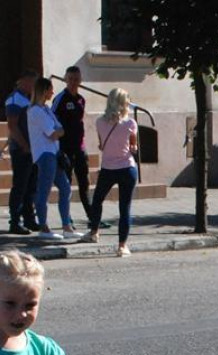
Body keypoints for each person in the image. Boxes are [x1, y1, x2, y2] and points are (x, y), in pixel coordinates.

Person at [81, 88, 139, 257]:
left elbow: (101, 144)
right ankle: (122, 246)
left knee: (98, 199)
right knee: (124, 207)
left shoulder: (99, 122)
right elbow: (133, 148)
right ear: (123, 103)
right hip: (127, 168)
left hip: (108, 168)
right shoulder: (130, 124)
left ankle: (94, 232)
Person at [26, 77, 77, 241]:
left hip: (54, 153)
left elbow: (60, 128)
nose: (52, 92)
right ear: (43, 90)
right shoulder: (35, 111)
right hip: (44, 154)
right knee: (44, 190)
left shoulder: (46, 109)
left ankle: (66, 226)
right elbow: (54, 132)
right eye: (50, 89)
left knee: (66, 187)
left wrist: (59, 131)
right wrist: (58, 132)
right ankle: (44, 227)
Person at [52, 66, 93, 227]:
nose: (73, 82)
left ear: (80, 80)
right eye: (70, 79)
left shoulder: (81, 99)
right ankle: (66, 218)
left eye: (76, 79)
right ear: (65, 79)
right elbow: (52, 118)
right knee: (66, 184)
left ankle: (92, 216)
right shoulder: (60, 99)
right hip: (65, 148)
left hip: (80, 147)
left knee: (85, 183)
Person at [5, 70, 39, 235]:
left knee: (31, 186)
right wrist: (24, 145)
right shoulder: (15, 99)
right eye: (32, 83)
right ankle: (15, 221)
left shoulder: (29, 99)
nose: (34, 86)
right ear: (23, 81)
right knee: (20, 186)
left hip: (33, 149)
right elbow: (12, 126)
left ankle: (29, 219)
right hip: (21, 150)